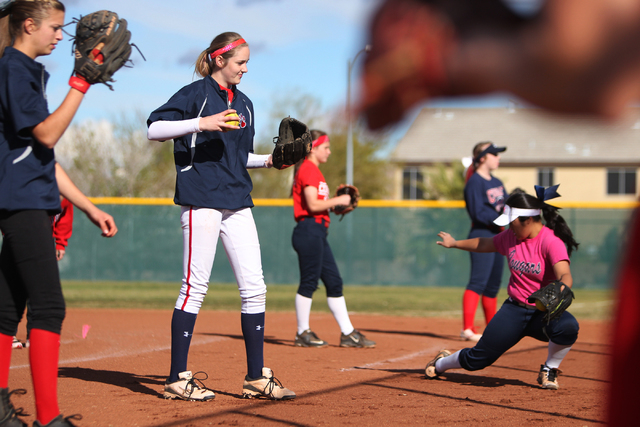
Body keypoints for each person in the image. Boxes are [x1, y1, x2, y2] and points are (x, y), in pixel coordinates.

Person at [147, 31, 295, 401]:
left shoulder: (244, 104)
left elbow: (239, 157)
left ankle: (256, 377)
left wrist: (271, 160)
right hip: (201, 198)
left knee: (255, 287)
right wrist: (201, 123)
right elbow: (154, 129)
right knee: (194, 286)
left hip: (237, 199)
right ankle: (176, 378)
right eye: (240, 62)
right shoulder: (195, 95)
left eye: (247, 63)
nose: (245, 69)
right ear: (218, 60)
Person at [0, 1, 119, 425]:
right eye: (53, 27)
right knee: (48, 307)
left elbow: (41, 155)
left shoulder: (22, 69)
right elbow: (47, 134)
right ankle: (48, 419)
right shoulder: (13, 67)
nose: (59, 35)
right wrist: (81, 82)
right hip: (23, 200)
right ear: (28, 25)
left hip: (25, 193)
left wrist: (87, 206)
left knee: (8, 308)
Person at [427, 185, 579, 390]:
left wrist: (563, 286)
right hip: (514, 310)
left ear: (528, 220)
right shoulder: (510, 237)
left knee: (568, 327)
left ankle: (549, 370)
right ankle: (441, 363)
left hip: (542, 312)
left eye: (512, 223)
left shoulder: (550, 242)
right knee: (477, 360)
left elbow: (565, 273)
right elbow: (484, 243)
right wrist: (454, 243)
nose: (510, 228)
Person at [290, 130, 376, 349]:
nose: (329, 151)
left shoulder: (314, 171)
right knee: (309, 282)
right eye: (325, 147)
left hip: (317, 231)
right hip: (309, 231)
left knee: (334, 282)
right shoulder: (308, 169)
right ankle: (302, 332)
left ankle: (348, 334)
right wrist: (339, 199)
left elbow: (320, 207)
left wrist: (337, 207)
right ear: (313, 148)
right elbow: (312, 206)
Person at [459, 142, 507, 342]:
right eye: (494, 154)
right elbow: (477, 212)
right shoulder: (475, 182)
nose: (498, 158)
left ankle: (492, 329)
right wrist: (499, 219)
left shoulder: (496, 181)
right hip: (482, 234)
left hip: (498, 236)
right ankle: (467, 329)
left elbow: (507, 205)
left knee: (493, 284)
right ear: (482, 158)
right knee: (478, 281)